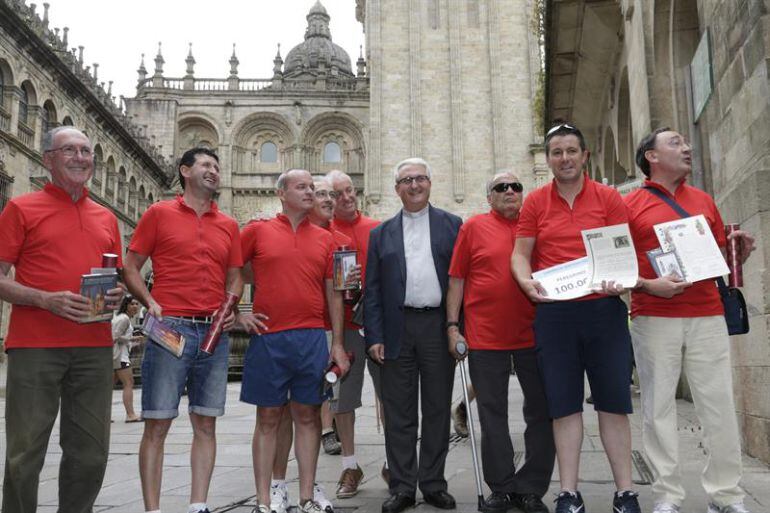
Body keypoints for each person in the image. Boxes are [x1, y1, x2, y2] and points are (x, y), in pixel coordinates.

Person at [511, 124, 641, 513]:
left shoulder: (608, 198)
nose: (564, 158)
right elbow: (521, 254)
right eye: (556, 152)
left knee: (613, 403)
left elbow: (622, 249)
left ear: (584, 156)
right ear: (548, 158)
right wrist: (524, 279)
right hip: (555, 314)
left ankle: (625, 491)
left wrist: (622, 275)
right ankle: (568, 492)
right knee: (564, 405)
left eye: (571, 151)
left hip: (604, 310)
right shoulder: (535, 202)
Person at [625, 128, 756, 513]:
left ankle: (726, 496)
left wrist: (739, 254)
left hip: (707, 313)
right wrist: (649, 284)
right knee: (657, 408)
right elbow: (615, 266)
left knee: (718, 405)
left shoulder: (703, 200)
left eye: (686, 142)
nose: (687, 148)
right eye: (676, 143)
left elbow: (718, 262)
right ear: (651, 156)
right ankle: (667, 496)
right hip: (654, 316)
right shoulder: (630, 205)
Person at [0, 126, 124, 513]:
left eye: (86, 151)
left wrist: (116, 294)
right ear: (48, 159)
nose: (81, 157)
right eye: (69, 150)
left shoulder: (106, 217)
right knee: (25, 454)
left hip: (94, 348)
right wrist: (44, 299)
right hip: (35, 346)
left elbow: (112, 277)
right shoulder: (21, 208)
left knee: (91, 454)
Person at [123, 147, 244, 513]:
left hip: (214, 333)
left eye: (217, 166)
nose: (214, 171)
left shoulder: (229, 225)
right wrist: (149, 301)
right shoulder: (159, 214)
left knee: (206, 422)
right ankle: (153, 509)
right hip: (169, 328)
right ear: (185, 171)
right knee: (157, 423)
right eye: (206, 165)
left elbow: (236, 276)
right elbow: (130, 266)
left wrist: (232, 304)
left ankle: (198, 505)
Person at [239, 169, 350, 513]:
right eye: (301, 187)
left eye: (311, 188)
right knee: (268, 418)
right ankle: (263, 501)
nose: (309, 193)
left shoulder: (326, 239)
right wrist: (239, 313)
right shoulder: (257, 231)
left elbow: (335, 293)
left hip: (311, 338)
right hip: (269, 338)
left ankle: (305, 498)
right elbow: (233, 270)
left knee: (308, 417)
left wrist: (337, 344)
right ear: (282, 193)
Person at [446, 172, 555, 513]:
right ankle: (502, 487)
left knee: (541, 411)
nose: (510, 191)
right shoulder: (473, 227)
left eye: (516, 186)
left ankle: (532, 487)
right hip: (485, 335)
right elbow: (457, 279)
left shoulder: (537, 225)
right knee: (493, 414)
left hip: (534, 333)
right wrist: (452, 326)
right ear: (489, 197)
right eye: (500, 187)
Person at [364, 157, 462, 513]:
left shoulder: (453, 225)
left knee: (437, 408)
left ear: (430, 183)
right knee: (399, 412)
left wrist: (457, 328)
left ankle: (434, 483)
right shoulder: (380, 234)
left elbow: (461, 281)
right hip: (396, 329)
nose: (415, 185)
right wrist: (374, 335)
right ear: (397, 189)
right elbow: (372, 290)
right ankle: (403, 487)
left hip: (438, 327)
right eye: (407, 180)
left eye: (420, 178)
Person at [326, 169, 385, 497]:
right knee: (343, 401)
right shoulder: (325, 232)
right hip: (344, 327)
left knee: (390, 397)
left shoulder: (378, 228)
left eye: (349, 191)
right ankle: (350, 466)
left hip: (378, 327)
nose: (346, 198)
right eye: (337, 194)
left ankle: (394, 463)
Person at [113, 295, 144, 422]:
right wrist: (132, 338)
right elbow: (115, 336)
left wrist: (132, 341)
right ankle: (130, 414)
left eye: (137, 304)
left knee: (110, 385)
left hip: (116, 356)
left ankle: (103, 415)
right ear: (125, 305)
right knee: (129, 383)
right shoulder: (124, 319)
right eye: (132, 304)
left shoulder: (122, 318)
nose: (135, 306)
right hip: (120, 357)